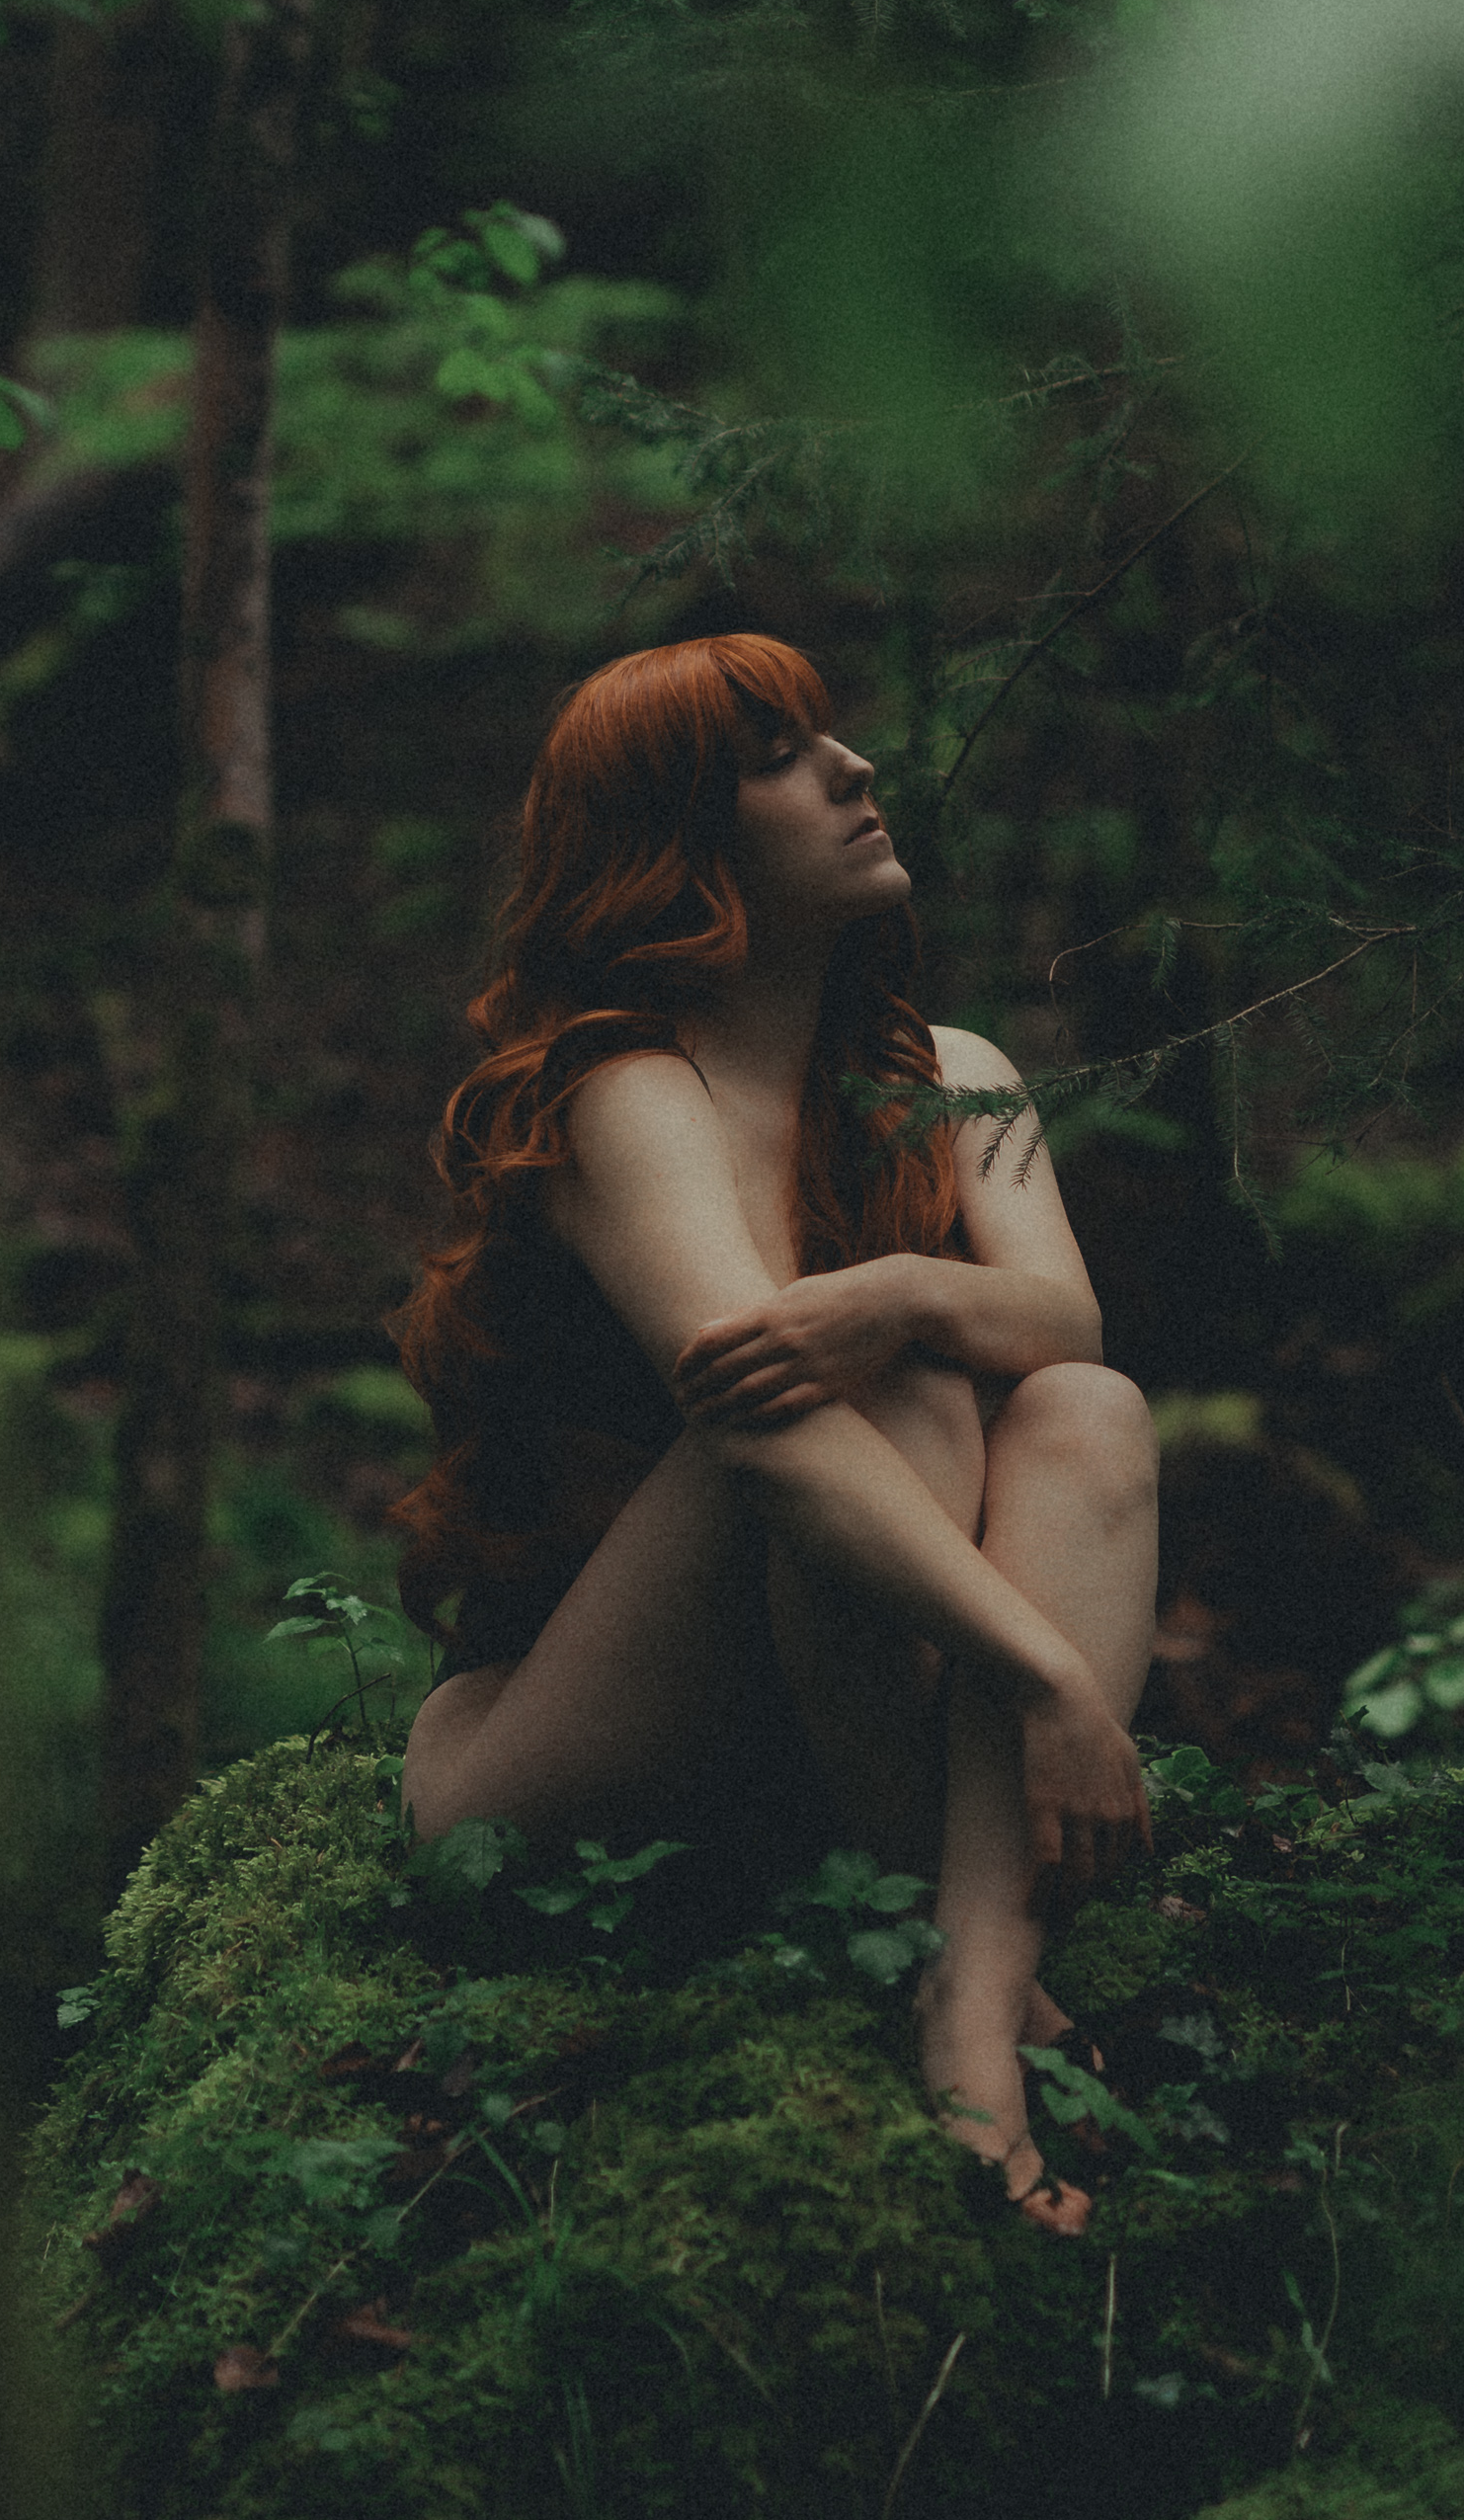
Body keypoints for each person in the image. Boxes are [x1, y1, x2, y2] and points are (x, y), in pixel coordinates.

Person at [391, 633, 1157, 2227]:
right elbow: (758, 1426)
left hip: (836, 1703)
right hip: (561, 1751)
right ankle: (964, 1963)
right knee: (873, 1391)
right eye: (780, 756)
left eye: (830, 735)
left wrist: (901, 1289)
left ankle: (970, 1999)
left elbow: (1068, 1329)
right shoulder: (623, 1090)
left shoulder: (958, 1075)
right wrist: (1053, 1681)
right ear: (679, 841)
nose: (853, 767)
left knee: (1084, 1409)